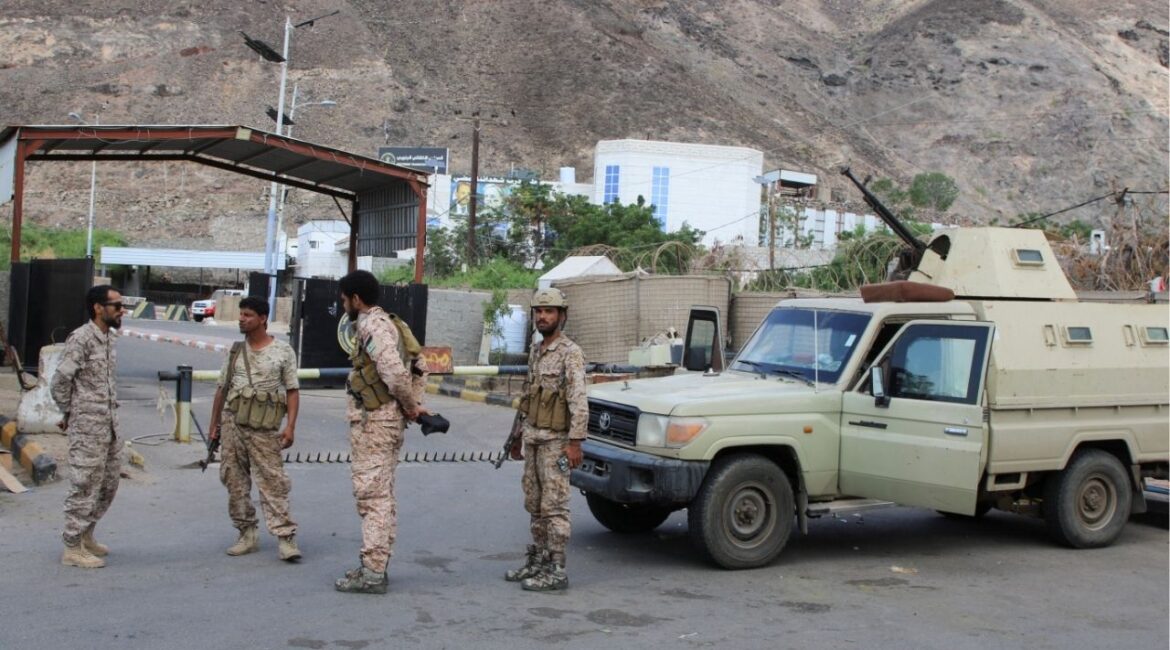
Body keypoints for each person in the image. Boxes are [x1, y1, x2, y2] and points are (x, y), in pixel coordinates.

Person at [335, 270, 430, 594]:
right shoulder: (390, 323)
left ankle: (373, 572)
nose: (342, 303)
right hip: (385, 420)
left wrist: (411, 406)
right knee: (382, 496)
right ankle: (376, 565)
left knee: (372, 496)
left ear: (356, 299)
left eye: (344, 298)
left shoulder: (372, 325)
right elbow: (419, 365)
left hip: (375, 422)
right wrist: (412, 404)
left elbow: (395, 371)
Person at [207, 297, 302, 562]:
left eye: (248, 315)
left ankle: (286, 538)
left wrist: (290, 426)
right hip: (232, 424)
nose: (241, 319)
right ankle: (246, 532)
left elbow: (292, 391)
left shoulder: (283, 352)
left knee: (273, 481)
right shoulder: (236, 350)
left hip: (264, 428)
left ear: (262, 319)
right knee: (234, 479)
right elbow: (221, 389)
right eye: (240, 315)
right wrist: (213, 426)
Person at [505, 287, 588, 592]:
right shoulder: (537, 351)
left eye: (549, 311)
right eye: (538, 311)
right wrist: (516, 436)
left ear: (561, 316)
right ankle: (538, 559)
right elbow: (528, 397)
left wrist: (576, 442)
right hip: (533, 438)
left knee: (555, 506)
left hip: (557, 442)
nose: (542, 316)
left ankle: (556, 567)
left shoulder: (570, 353)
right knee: (535, 503)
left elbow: (579, 400)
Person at [51, 285, 125, 568]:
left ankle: (87, 534)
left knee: (108, 484)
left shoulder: (109, 339)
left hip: (109, 426)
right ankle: (72, 546)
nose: (122, 311)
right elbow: (60, 382)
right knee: (84, 485)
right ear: (98, 308)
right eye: (116, 305)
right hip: (87, 429)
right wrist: (71, 412)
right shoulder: (81, 339)